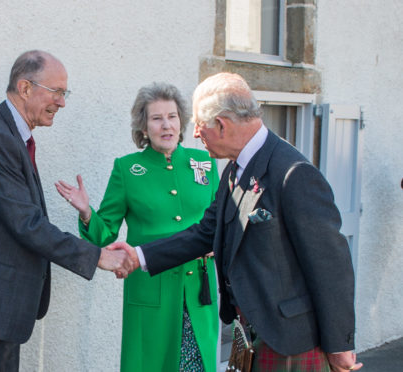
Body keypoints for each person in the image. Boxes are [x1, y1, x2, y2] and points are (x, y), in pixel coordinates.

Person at [110, 73, 363, 372]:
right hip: (252, 336)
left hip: (292, 342)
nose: (194, 136)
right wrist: (139, 256)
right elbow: (205, 232)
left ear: (221, 124)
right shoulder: (234, 169)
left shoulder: (293, 173)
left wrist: (339, 345)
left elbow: (331, 265)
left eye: (199, 127)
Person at [0, 50, 132, 372]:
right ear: (25, 88)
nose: (62, 102)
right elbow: (27, 223)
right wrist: (96, 256)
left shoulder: (7, 133)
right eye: (57, 92)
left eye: (65, 94)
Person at [55, 82, 219, 372]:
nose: (166, 125)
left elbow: (221, 223)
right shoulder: (127, 169)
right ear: (144, 128)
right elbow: (105, 233)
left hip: (196, 290)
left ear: (182, 121)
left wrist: (218, 249)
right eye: (157, 118)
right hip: (150, 290)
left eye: (172, 116)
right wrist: (85, 213)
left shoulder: (204, 162)